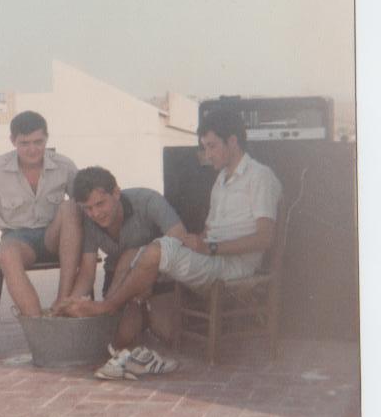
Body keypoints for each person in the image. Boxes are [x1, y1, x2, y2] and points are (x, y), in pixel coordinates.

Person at [61, 109, 282, 376]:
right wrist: (198, 241)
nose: (208, 154)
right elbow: (211, 231)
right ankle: (113, 339)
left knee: (158, 251)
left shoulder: (260, 177)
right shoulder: (221, 181)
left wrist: (210, 247)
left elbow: (265, 238)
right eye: (205, 147)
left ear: (233, 141)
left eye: (212, 146)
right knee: (133, 255)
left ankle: (106, 308)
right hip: (212, 257)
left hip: (234, 266)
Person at [57, 165, 188, 378]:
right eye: (88, 208)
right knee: (121, 338)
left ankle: (142, 316)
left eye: (100, 204)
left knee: (169, 333)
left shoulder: (147, 200)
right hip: (118, 280)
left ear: (116, 193)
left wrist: (147, 276)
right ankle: (135, 316)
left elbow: (179, 236)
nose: (95, 213)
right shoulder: (88, 220)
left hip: (158, 276)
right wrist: (72, 303)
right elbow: (88, 271)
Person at [0, 110, 82, 316]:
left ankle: (62, 302)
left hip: (54, 237)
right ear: (13, 141)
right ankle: (37, 323)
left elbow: (85, 206)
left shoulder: (64, 165)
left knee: (70, 207)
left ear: (46, 138)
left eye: (38, 142)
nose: (32, 149)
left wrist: (90, 249)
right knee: (6, 253)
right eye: (24, 143)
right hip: (18, 240)